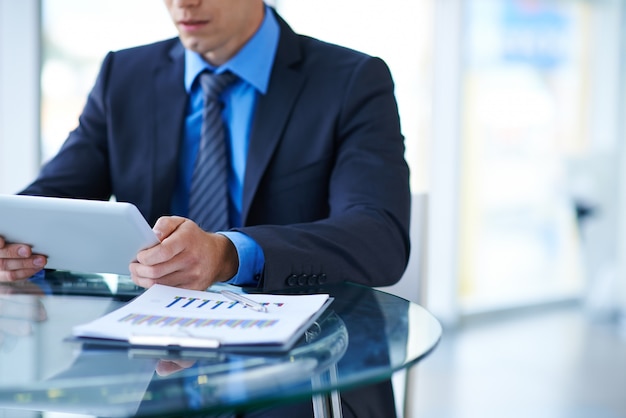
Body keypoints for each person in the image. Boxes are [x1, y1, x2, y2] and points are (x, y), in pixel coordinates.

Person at [0, 0, 410, 416]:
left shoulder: (351, 80)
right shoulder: (124, 76)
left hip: (307, 378)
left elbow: (380, 236)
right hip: (149, 368)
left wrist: (229, 253)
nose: (183, 3)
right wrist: (9, 239)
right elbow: (51, 197)